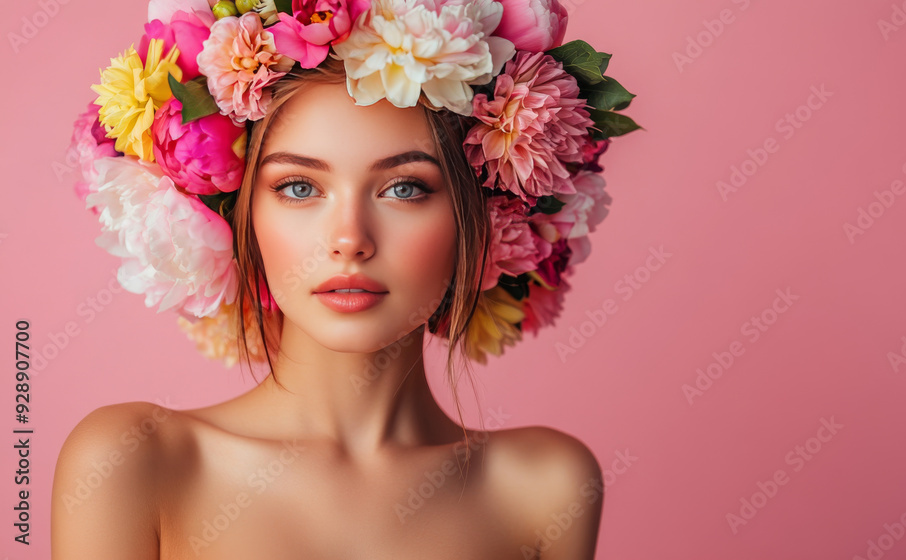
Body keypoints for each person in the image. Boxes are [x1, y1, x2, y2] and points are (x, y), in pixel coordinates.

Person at [53, 1, 639, 557]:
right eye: (299, 188)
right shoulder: (131, 463)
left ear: (481, 215)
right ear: (235, 212)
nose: (350, 239)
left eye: (404, 188)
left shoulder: (545, 488)